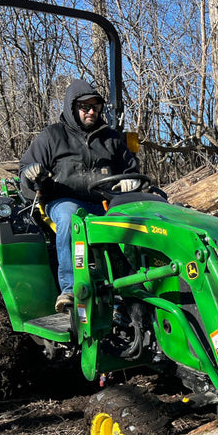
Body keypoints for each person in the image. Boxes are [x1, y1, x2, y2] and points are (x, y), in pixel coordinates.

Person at [20, 79, 140, 313]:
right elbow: (26, 167)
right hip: (63, 201)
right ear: (72, 108)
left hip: (105, 202)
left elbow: (131, 170)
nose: (91, 111)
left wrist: (130, 180)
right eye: (85, 107)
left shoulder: (112, 139)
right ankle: (70, 289)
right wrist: (30, 171)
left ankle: (130, 287)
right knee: (71, 216)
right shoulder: (52, 136)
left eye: (95, 107)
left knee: (135, 218)